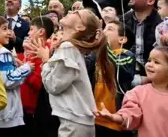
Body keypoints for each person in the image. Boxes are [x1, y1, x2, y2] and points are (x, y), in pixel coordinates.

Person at [32, 9, 115, 137]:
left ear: (80, 27)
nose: (71, 11)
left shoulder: (68, 47)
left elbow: (53, 85)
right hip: (78, 122)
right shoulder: (71, 47)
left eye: (77, 14)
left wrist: (45, 60)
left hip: (75, 122)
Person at [95, 47, 168, 137]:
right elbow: (130, 114)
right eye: (149, 60)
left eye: (156, 62)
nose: (150, 64)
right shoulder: (138, 93)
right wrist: (115, 117)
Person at [0, 15, 31, 136]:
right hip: (7, 115)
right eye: (4, 29)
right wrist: (27, 68)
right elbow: (8, 80)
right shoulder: (3, 54)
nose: (9, 32)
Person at [93, 21, 135, 137]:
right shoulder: (96, 57)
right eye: (104, 28)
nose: (104, 31)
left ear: (122, 39)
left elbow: (116, 65)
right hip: (95, 118)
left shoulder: (126, 55)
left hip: (114, 122)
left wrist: (103, 43)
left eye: (109, 29)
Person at [20, 16, 54, 136]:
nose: (28, 33)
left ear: (41, 32)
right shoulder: (33, 50)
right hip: (27, 106)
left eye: (31, 29)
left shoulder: (44, 50)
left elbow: (39, 84)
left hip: (35, 109)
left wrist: (24, 71)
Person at [123, 0, 162, 85]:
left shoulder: (162, 23)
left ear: (150, 1)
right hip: (126, 77)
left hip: (155, 81)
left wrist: (150, 79)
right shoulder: (122, 21)